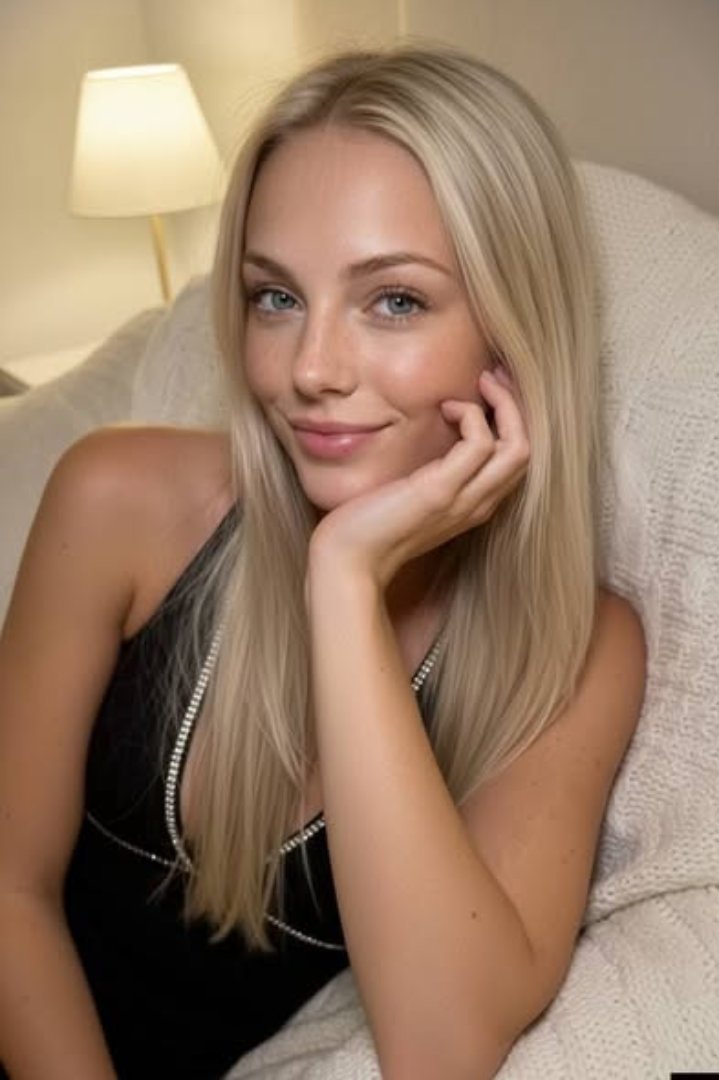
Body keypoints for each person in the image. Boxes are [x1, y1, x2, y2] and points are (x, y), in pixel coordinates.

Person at [0, 45, 645, 1080]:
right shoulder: (118, 498)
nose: (309, 369)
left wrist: (343, 583)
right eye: (275, 297)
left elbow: (441, 1047)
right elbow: (9, 890)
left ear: (514, 330)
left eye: (394, 301)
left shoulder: (574, 651)